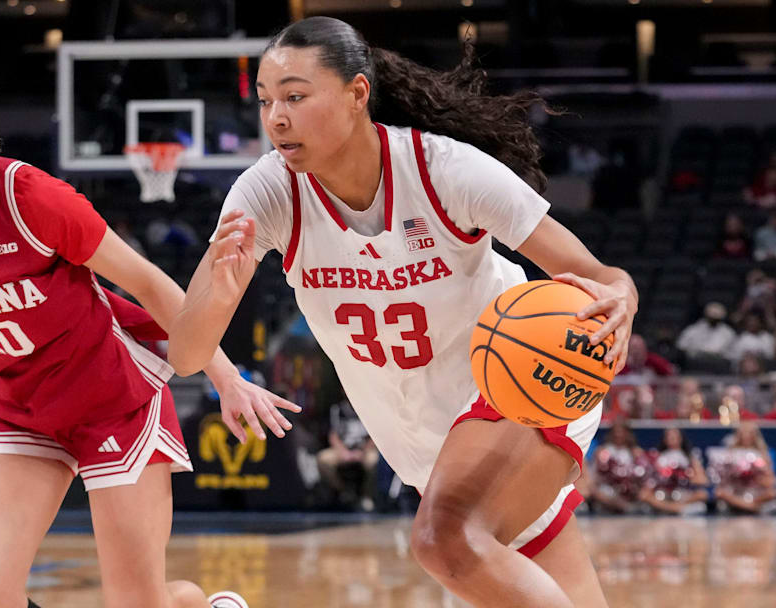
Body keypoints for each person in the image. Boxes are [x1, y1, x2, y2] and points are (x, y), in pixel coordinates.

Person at [187, 17, 637, 607]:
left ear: (356, 94)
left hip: (519, 379)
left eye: (296, 97)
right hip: (422, 439)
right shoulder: (265, 193)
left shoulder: (446, 171)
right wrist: (218, 297)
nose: (276, 117)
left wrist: (622, 297)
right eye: (268, 100)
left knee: (444, 539)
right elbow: (187, 352)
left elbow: (601, 276)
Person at [0, 58, 289, 608]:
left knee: (140, 603)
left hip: (113, 398)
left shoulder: (30, 198)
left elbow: (146, 280)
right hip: (18, 405)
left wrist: (225, 374)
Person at [316, 398, 379, 511]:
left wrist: (362, 452)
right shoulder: (337, 409)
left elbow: (375, 436)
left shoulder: (369, 407)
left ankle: (367, 495)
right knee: (323, 459)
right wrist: (344, 452)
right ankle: (343, 491)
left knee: (373, 461)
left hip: (364, 450)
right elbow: (333, 435)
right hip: (342, 450)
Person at [711, 421, 776, 514]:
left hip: (755, 492)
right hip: (736, 492)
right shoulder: (730, 453)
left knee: (772, 493)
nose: (746, 436)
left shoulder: (763, 455)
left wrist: (755, 477)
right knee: (719, 493)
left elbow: (770, 481)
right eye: (743, 433)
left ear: (755, 436)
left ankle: (744, 506)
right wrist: (735, 476)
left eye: (749, 433)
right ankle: (751, 507)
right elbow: (722, 480)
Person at [639, 427, 709, 515]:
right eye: (669, 436)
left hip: (682, 493)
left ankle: (668, 508)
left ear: (681, 438)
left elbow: (703, 480)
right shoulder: (658, 457)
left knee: (702, 494)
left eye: (675, 436)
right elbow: (651, 480)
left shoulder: (690, 458)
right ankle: (678, 509)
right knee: (644, 495)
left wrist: (684, 476)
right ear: (664, 439)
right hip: (662, 493)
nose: (672, 438)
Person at [585, 422, 647, 514]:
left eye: (621, 432)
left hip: (629, 491)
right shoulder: (602, 451)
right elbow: (594, 475)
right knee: (594, 492)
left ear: (627, 434)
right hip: (607, 490)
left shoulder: (635, 452)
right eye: (616, 432)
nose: (618, 435)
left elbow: (642, 474)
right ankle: (623, 507)